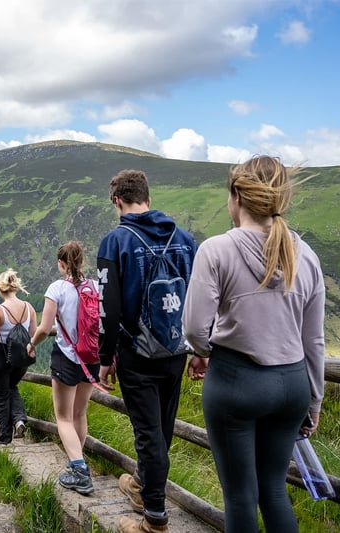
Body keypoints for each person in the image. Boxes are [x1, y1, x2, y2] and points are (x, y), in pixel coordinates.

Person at [183, 156, 325, 533]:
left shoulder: (216, 250)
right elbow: (314, 340)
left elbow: (196, 329)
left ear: (236, 196)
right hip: (292, 385)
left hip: (236, 382)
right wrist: (314, 400)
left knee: (240, 497)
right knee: (274, 491)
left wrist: (203, 352)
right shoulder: (306, 256)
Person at [95, 169, 198, 533]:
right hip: (175, 349)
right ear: (148, 199)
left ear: (117, 201)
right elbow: (199, 299)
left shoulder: (115, 242)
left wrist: (105, 358)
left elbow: (107, 307)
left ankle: (154, 516)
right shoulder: (185, 240)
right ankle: (141, 484)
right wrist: (199, 347)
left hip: (136, 353)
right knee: (162, 429)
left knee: (148, 433)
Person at [27, 241, 98, 496]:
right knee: (80, 413)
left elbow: (45, 328)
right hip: (92, 356)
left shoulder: (56, 288)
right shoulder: (95, 286)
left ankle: (79, 469)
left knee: (64, 417)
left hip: (67, 357)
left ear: (61, 264)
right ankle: (77, 463)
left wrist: (31, 343)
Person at [0, 268, 37, 445]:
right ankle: (19, 419)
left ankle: (5, 438)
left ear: (0, 290)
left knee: (0, 396)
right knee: (11, 386)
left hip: (0, 355)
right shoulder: (29, 308)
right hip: (21, 358)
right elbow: (33, 334)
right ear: (15, 288)